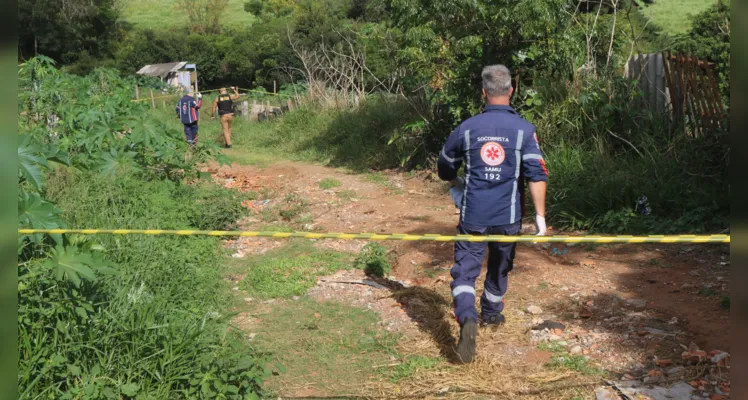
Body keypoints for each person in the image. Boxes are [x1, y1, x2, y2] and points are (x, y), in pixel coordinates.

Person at [437, 64, 549, 363]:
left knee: (464, 270)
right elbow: (536, 173)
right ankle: (492, 313)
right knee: (500, 265)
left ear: (484, 93)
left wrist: (455, 182)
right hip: (508, 217)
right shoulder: (526, 131)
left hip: (473, 215)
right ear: (512, 90)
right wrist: (540, 217)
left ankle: (467, 316)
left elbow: (445, 165)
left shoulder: (467, 128)